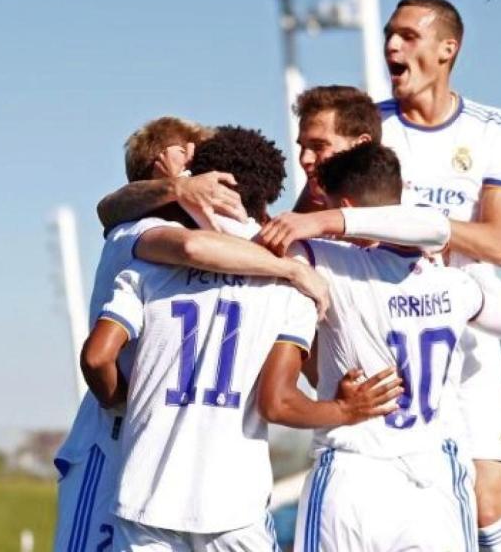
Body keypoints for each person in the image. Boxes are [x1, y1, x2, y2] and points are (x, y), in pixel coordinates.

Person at [80, 126, 401, 552]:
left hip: (145, 497)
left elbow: (97, 357)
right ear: (268, 195)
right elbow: (277, 402)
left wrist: (122, 399)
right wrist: (343, 409)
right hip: (234, 506)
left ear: (203, 181)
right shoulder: (291, 285)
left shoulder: (148, 263)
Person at [272, 143, 501, 552]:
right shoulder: (454, 284)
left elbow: (276, 245)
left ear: (348, 210)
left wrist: (321, 221)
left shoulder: (331, 262)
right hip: (434, 479)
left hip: (353, 470)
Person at [377, 0, 501, 552]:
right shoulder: (368, 126)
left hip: (467, 337)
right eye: (388, 35)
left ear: (448, 49)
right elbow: (318, 220)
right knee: (400, 502)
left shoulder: (498, 128)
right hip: (387, 339)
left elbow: (498, 241)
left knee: (487, 500)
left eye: (407, 36)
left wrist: (412, 223)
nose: (391, 46)